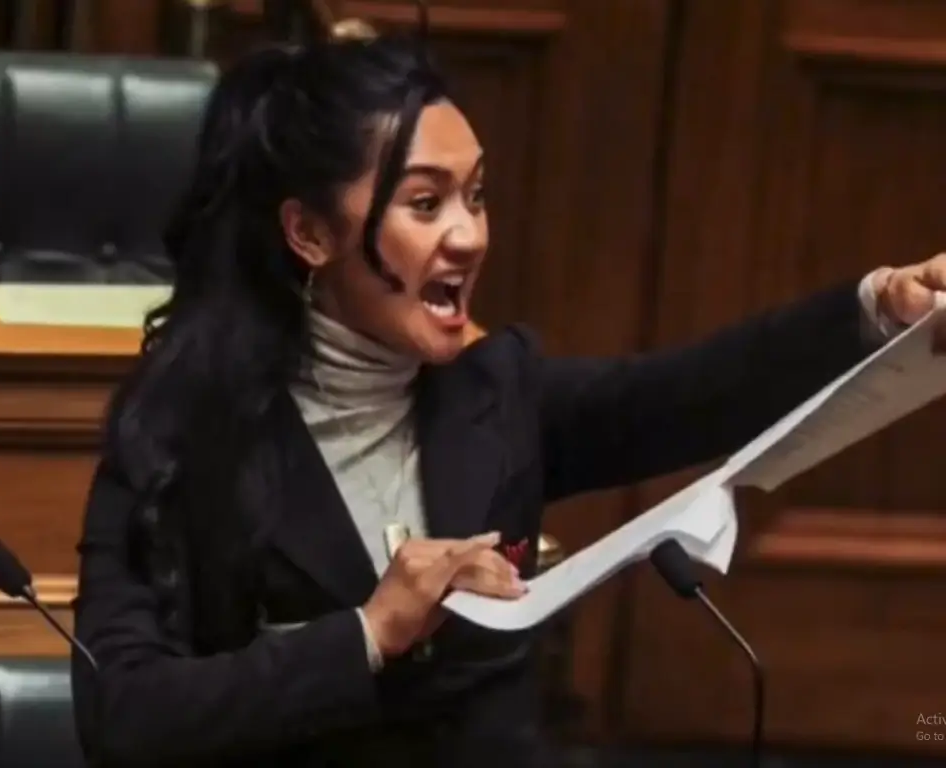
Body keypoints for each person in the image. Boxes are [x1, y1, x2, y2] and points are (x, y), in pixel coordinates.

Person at [70, 11, 946, 768]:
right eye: (425, 204)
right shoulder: (185, 433)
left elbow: (692, 394)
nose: (468, 237)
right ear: (308, 232)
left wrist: (872, 311)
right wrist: (369, 634)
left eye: (476, 196)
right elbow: (128, 715)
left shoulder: (493, 390)